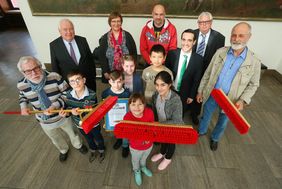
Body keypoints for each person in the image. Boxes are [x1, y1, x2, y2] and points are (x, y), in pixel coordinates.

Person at [196, 22, 262, 151]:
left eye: (241, 36)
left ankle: (215, 138)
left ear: (249, 37)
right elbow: (208, 72)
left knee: (223, 121)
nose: (236, 39)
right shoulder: (220, 52)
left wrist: (243, 100)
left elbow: (254, 84)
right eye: (234, 35)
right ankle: (202, 131)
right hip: (213, 93)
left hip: (231, 100)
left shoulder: (254, 61)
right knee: (206, 114)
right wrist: (200, 91)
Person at [17, 56, 88, 162]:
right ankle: (63, 150)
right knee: (55, 138)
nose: (34, 73)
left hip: (62, 115)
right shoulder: (21, 85)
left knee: (72, 132)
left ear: (40, 66)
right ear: (23, 73)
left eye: (36, 68)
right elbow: (22, 97)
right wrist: (23, 107)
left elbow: (67, 93)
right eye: (28, 71)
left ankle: (78, 145)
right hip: (44, 120)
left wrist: (54, 105)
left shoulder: (54, 76)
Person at [62, 70, 105, 163]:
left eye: (78, 79)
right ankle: (93, 150)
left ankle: (101, 150)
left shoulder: (92, 94)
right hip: (79, 124)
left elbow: (92, 112)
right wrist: (68, 113)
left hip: (93, 124)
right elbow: (68, 109)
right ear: (69, 83)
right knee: (88, 138)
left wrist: (80, 112)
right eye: (72, 81)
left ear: (84, 80)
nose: (76, 83)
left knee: (98, 137)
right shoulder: (68, 95)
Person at [192, 12, 225, 124]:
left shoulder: (219, 38)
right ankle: (188, 107)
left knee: (200, 92)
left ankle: (195, 113)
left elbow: (219, 58)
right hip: (192, 68)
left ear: (211, 23)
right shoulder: (192, 34)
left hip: (207, 70)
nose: (204, 25)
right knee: (191, 88)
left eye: (206, 22)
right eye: (201, 22)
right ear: (198, 23)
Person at [50, 18, 97, 91]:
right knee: (74, 102)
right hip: (69, 84)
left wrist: (93, 76)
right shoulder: (54, 45)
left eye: (71, 29)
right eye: (65, 29)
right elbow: (55, 68)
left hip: (88, 81)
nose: (69, 32)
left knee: (92, 100)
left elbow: (90, 60)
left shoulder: (82, 40)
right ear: (60, 31)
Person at [151, 71, 184, 170]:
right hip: (161, 125)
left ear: (170, 84)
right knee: (163, 139)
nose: (159, 88)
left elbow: (177, 121)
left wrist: (158, 124)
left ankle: (168, 158)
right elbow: (155, 110)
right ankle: (162, 152)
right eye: (157, 85)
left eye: (163, 85)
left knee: (170, 142)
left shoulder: (176, 100)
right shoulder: (156, 94)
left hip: (171, 128)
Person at [166, 29, 203, 116]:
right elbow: (166, 73)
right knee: (167, 111)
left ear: (194, 42)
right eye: (184, 39)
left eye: (189, 40)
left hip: (185, 93)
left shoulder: (198, 59)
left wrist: (191, 95)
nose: (186, 43)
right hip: (170, 90)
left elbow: (196, 80)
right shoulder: (172, 54)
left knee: (179, 114)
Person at [123, 93, 154, 186]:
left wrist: (149, 136)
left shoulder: (149, 112)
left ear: (144, 105)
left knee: (144, 158)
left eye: (140, 104)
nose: (137, 107)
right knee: (135, 160)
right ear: (129, 106)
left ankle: (143, 167)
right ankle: (137, 170)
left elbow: (152, 127)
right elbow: (128, 134)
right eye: (133, 104)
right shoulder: (127, 118)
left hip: (148, 145)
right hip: (135, 147)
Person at [99, 11, 137, 83]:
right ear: (110, 23)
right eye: (113, 21)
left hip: (127, 72)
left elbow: (134, 53)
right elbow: (102, 56)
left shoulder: (128, 36)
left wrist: (132, 69)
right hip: (111, 73)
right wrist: (105, 71)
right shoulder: (105, 38)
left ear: (121, 22)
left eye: (118, 21)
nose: (116, 24)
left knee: (127, 91)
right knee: (114, 92)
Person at [101, 70, 131, 157]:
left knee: (125, 133)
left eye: (119, 81)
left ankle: (125, 145)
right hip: (113, 119)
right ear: (109, 81)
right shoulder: (105, 94)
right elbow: (103, 108)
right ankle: (119, 140)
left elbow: (129, 108)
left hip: (124, 120)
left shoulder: (127, 93)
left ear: (123, 81)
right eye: (113, 82)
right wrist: (105, 120)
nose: (116, 85)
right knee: (116, 131)